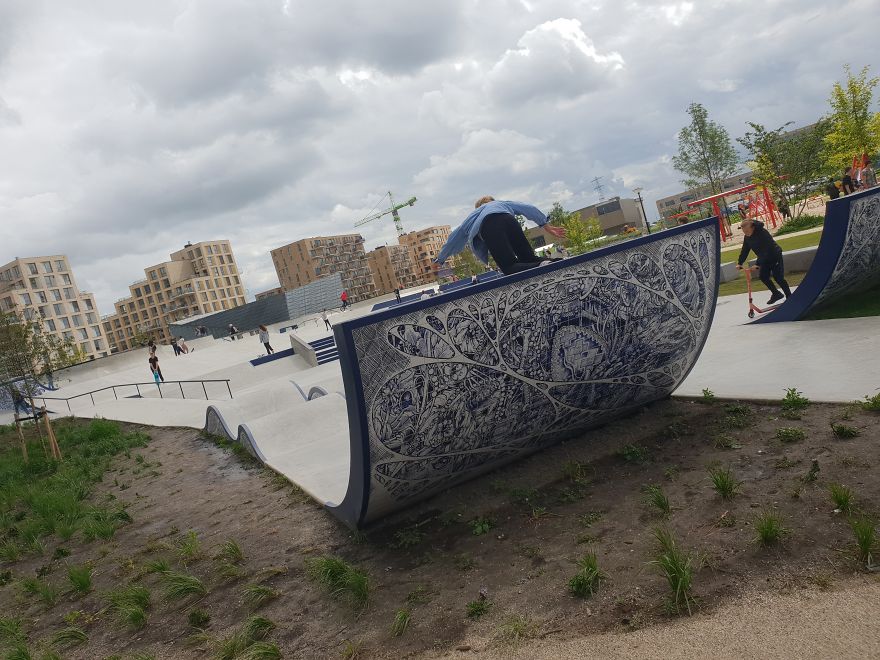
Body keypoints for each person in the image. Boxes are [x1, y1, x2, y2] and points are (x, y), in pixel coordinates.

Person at [435, 196, 566, 276]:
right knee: (528, 258)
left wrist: (441, 258)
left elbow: (456, 236)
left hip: (489, 226)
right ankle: (559, 263)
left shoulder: (476, 213)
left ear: (478, 207)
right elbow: (528, 208)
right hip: (509, 219)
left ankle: (542, 265)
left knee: (509, 266)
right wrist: (545, 225)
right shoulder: (502, 203)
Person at [736, 218, 792, 305]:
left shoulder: (762, 233)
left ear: (752, 227)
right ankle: (776, 294)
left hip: (774, 255)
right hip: (764, 258)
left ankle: (789, 296)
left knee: (778, 278)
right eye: (744, 232)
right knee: (763, 276)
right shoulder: (747, 237)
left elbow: (766, 249)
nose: (746, 233)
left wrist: (757, 264)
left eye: (747, 231)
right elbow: (745, 250)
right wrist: (740, 262)